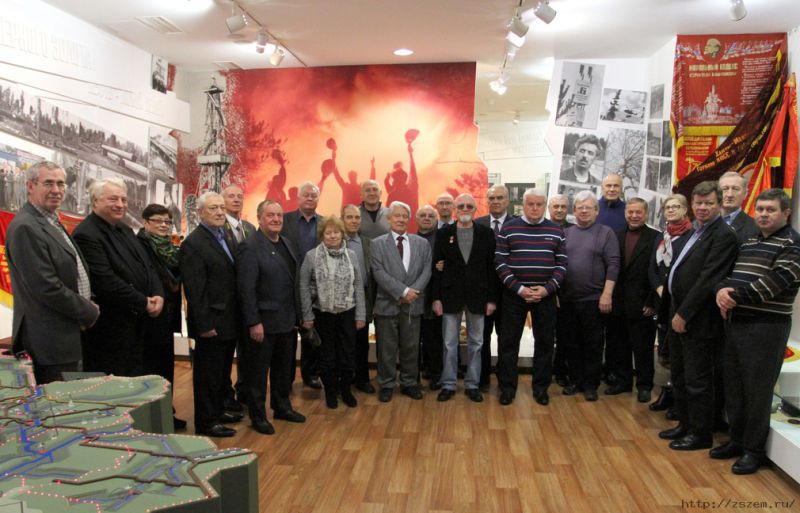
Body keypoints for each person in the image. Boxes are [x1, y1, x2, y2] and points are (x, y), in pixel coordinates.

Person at [712, 189, 800, 474]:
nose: (763, 214)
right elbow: (730, 276)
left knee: (757, 392)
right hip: (737, 323)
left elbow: (773, 284)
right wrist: (720, 291)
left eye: (770, 210)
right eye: (760, 209)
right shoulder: (750, 241)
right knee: (735, 387)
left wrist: (731, 296)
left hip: (766, 327)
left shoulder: (793, 244)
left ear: (786, 213)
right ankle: (736, 441)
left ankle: (753, 450)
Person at [659, 181, 738, 451]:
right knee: (680, 375)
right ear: (691, 204)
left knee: (697, 379)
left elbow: (708, 279)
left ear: (719, 204)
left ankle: (701, 433)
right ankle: (685, 424)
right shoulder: (697, 230)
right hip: (678, 312)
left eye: (709, 203)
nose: (703, 208)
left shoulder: (723, 235)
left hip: (698, 318)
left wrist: (684, 313)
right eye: (698, 203)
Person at [6, 161, 99, 384]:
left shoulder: (50, 220)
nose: (56, 190)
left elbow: (73, 272)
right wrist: (87, 311)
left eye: (61, 184)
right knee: (59, 402)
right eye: (48, 183)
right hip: (49, 341)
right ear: (30, 186)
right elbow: (46, 287)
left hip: (67, 333)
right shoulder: (26, 226)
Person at [73, 178, 163, 377]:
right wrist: (144, 302)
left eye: (124, 200)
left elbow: (147, 266)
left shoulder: (125, 229)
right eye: (113, 199)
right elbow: (105, 281)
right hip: (111, 327)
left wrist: (158, 293)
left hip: (137, 323)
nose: (120, 205)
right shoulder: (86, 234)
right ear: (95, 201)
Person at [237, 200, 306, 435]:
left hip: (286, 320)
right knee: (257, 374)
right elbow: (246, 289)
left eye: (279, 215)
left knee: (283, 370)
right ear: (259, 218)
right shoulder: (249, 246)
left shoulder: (287, 243)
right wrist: (253, 322)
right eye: (270, 215)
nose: (276, 219)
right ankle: (258, 416)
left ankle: (282, 407)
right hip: (263, 323)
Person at [495, 189, 567, 406]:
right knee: (508, 343)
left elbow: (562, 265)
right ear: (523, 205)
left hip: (545, 296)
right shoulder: (509, 228)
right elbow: (500, 262)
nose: (535, 208)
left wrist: (547, 289)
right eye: (531, 204)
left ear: (545, 206)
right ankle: (507, 388)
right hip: (514, 296)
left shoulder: (556, 230)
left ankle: (541, 388)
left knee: (545, 344)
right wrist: (519, 289)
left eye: (539, 204)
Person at [180, 192, 244, 438]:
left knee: (222, 372)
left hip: (227, 319)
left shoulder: (223, 235)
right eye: (213, 208)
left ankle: (218, 411)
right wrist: (204, 324)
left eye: (221, 208)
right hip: (211, 323)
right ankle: (206, 422)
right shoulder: (194, 243)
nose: (219, 212)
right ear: (200, 213)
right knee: (207, 375)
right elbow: (195, 289)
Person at [431, 194, 497, 402]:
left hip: (479, 296)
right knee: (449, 343)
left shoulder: (486, 233)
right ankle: (448, 384)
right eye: (461, 206)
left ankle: (472, 384)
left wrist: (492, 299)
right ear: (455, 209)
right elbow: (436, 268)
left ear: (475, 209)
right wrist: (436, 298)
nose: (465, 209)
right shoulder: (444, 233)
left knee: (476, 343)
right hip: (450, 296)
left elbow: (492, 268)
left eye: (469, 206)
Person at [299, 215, 366, 408]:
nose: (332, 236)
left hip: (347, 313)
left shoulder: (351, 255)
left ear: (342, 234)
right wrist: (307, 315)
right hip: (322, 313)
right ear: (322, 236)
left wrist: (361, 315)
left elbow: (358, 286)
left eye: (336, 232)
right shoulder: (311, 256)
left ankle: (345, 391)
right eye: (328, 233)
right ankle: (331, 392)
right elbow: (303, 286)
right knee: (326, 356)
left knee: (347, 354)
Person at [560, 191, 620, 401]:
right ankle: (575, 380)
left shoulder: (606, 233)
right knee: (571, 343)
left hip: (594, 300)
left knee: (593, 344)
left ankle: (590, 384)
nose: (584, 211)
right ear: (574, 211)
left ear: (596, 211)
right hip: (568, 299)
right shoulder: (566, 233)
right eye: (580, 207)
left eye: (588, 207)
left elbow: (613, 265)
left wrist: (607, 294)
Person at [370, 201, 432, 402]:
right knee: (386, 349)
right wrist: (403, 291)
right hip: (386, 304)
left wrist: (413, 292)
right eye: (397, 216)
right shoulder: (377, 244)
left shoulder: (421, 243)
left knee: (411, 347)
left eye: (405, 216)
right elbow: (378, 272)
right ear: (388, 219)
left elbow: (427, 270)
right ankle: (387, 384)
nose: (401, 219)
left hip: (413, 304)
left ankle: (409, 383)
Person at [606, 198, 660, 402]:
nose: (634, 216)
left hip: (643, 303)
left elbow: (658, 271)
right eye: (630, 212)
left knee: (643, 348)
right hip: (618, 302)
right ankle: (623, 382)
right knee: (619, 346)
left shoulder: (656, 237)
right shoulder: (616, 235)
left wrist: (651, 301)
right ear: (625, 213)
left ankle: (644, 386)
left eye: (638, 212)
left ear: (646, 214)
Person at [137, 203, 185, 430]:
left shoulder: (171, 247)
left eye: (167, 221)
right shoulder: (140, 245)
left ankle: (166, 413)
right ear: (146, 222)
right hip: (150, 316)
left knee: (166, 367)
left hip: (168, 315)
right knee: (151, 368)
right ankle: (152, 418)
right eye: (158, 221)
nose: (164, 225)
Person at [649, 194, 693, 414]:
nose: (671, 210)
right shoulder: (662, 236)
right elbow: (653, 269)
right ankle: (666, 392)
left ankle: (679, 399)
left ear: (685, 210)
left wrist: (669, 293)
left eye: (676, 206)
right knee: (664, 351)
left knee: (679, 353)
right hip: (662, 302)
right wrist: (660, 289)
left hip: (680, 302)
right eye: (667, 207)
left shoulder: (692, 236)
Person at [280, 182, 323, 389]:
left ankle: (310, 374)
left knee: (311, 333)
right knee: (287, 337)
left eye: (313, 195)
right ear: (297, 198)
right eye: (305, 195)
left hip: (315, 288)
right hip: (287, 285)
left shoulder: (324, 222)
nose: (309, 198)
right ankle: (286, 379)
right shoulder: (284, 220)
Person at [221, 183, 257, 412]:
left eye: (239, 196)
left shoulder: (250, 228)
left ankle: (244, 390)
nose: (236, 200)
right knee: (225, 355)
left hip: (248, 301)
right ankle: (225, 396)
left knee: (248, 351)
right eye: (231, 196)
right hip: (227, 301)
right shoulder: (217, 228)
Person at [475, 185, 514, 389]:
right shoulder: (477, 224)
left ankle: (505, 381)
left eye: (500, 197)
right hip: (483, 293)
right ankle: (482, 379)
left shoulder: (517, 224)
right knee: (481, 339)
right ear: (487, 201)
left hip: (510, 294)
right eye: (492, 198)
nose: (496, 201)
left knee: (507, 340)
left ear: (508, 200)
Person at [342, 204, 377, 393]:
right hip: (341, 301)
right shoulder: (335, 241)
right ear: (342, 220)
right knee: (343, 343)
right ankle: (344, 381)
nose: (354, 221)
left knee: (362, 342)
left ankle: (362, 379)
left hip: (363, 299)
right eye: (349, 217)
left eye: (357, 217)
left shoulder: (368, 243)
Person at [547, 194, 573, 388]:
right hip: (547, 290)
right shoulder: (542, 227)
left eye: (563, 207)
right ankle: (545, 371)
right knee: (546, 335)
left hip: (569, 290)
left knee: (565, 335)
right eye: (555, 206)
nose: (559, 210)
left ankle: (561, 371)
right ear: (549, 208)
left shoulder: (574, 230)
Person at [416, 204, 443, 389]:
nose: (426, 218)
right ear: (417, 219)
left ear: (436, 219)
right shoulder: (409, 239)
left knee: (434, 339)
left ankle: (435, 375)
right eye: (423, 215)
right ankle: (414, 377)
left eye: (430, 216)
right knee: (413, 340)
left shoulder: (443, 239)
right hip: (413, 297)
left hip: (435, 296)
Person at [719, 171, 758, 245]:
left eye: (735, 189)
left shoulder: (755, 228)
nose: (730, 195)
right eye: (725, 189)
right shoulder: (704, 222)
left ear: (745, 194)